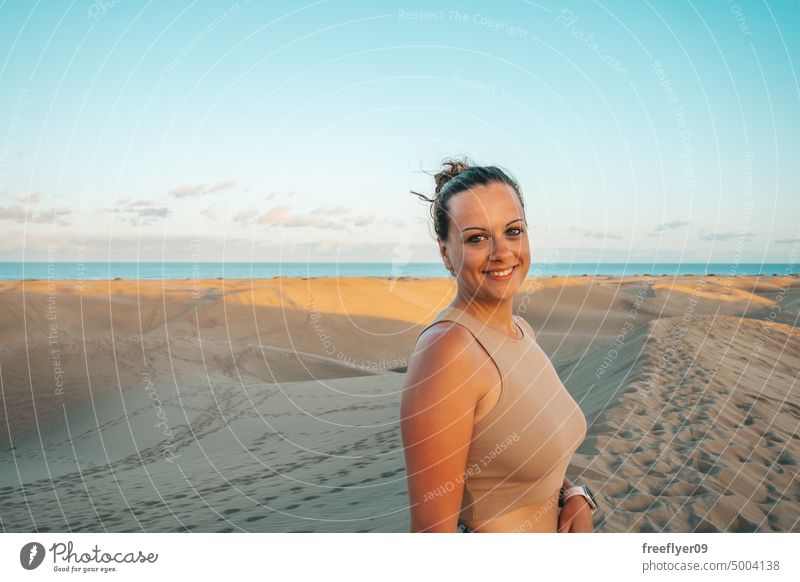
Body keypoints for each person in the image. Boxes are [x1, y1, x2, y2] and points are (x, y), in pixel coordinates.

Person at [400, 159, 598, 533]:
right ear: (446, 253)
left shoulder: (522, 331)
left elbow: (518, 464)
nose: (502, 252)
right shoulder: (449, 351)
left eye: (513, 231)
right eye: (477, 238)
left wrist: (574, 495)